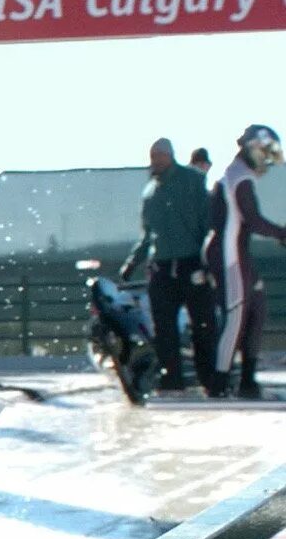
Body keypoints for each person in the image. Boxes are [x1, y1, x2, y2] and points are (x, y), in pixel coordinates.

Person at [119, 138, 212, 394]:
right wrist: (131, 264)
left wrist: (209, 260)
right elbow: (147, 234)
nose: (156, 161)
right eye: (153, 156)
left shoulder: (192, 181)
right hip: (161, 265)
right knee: (164, 329)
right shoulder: (150, 191)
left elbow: (208, 222)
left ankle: (211, 380)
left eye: (160, 155)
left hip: (191, 261)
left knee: (203, 325)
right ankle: (172, 381)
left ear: (170, 155)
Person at [204, 125, 286, 399]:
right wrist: (281, 233)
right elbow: (252, 219)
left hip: (238, 252)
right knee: (236, 317)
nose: (266, 161)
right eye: (265, 153)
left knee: (256, 310)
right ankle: (219, 381)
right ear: (253, 148)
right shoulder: (239, 177)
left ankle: (248, 380)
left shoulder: (239, 174)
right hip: (229, 255)